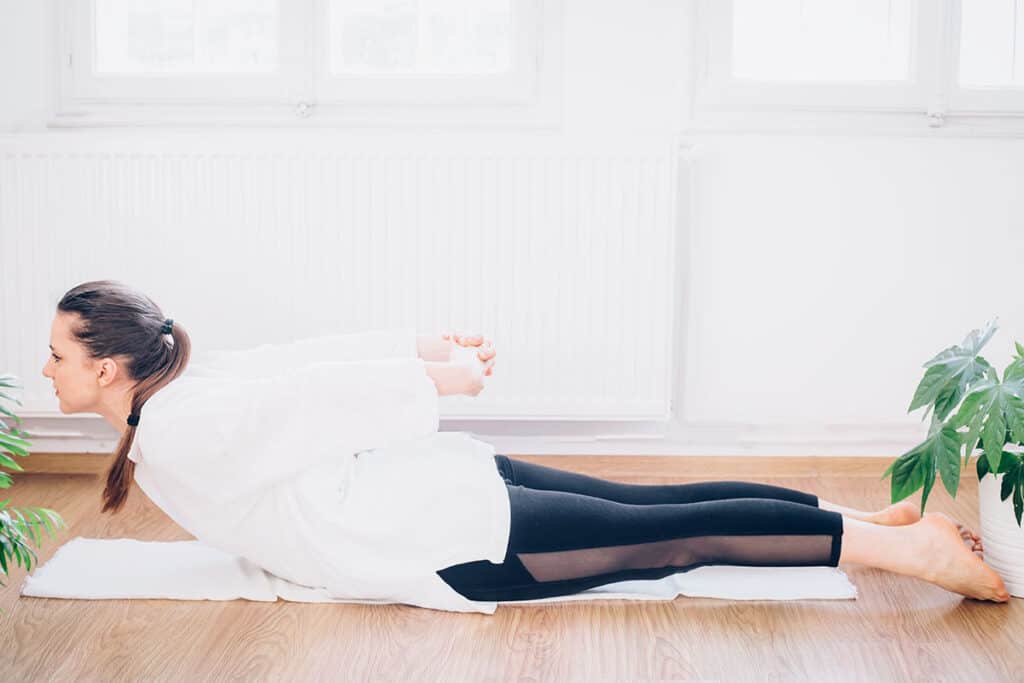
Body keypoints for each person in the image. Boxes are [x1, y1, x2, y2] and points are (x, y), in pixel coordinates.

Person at [41, 280, 1009, 612]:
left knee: (673, 534)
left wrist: (428, 368)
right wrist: (424, 357)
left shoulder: (174, 423)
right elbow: (300, 374)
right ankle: (850, 522)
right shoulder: (179, 392)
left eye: (56, 356)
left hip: (443, 531)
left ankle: (896, 547)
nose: (47, 373)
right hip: (438, 494)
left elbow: (308, 384)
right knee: (661, 511)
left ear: (112, 366)